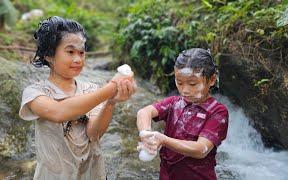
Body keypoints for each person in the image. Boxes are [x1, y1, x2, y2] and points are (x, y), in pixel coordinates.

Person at [19, 16, 136, 180]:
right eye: (70, 52)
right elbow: (58, 112)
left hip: (90, 173)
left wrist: (111, 102)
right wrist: (110, 88)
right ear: (49, 55)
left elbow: (94, 134)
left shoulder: (91, 90)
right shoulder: (35, 92)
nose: (78, 59)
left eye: (81, 53)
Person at [136, 48, 229, 180]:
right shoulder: (174, 103)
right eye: (179, 82)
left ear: (212, 80)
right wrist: (146, 134)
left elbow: (200, 149)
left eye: (192, 83)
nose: (185, 90)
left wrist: (163, 140)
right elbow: (144, 112)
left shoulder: (217, 112)